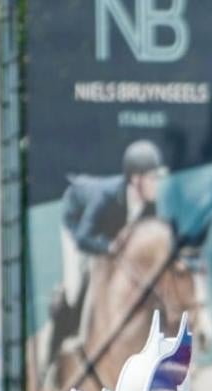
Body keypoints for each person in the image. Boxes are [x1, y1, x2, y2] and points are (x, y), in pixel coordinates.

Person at [47, 140, 166, 378]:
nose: (157, 184)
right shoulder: (106, 196)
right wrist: (110, 247)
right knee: (76, 285)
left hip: (107, 236)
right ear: (136, 179)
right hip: (77, 228)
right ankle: (57, 354)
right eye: (152, 178)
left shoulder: (150, 206)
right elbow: (83, 237)